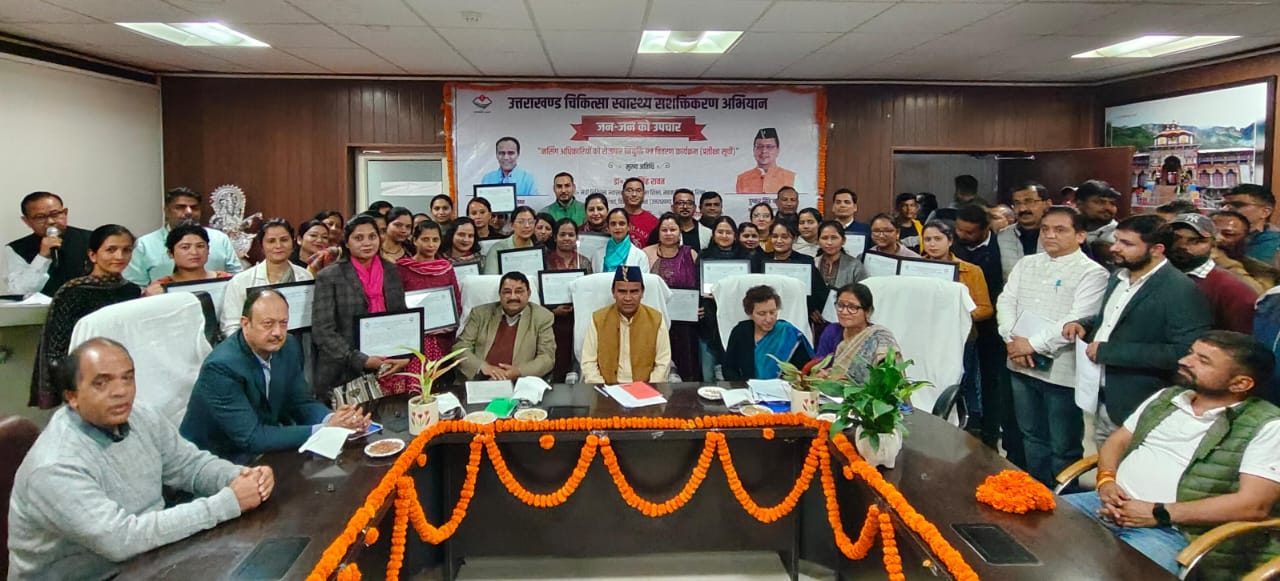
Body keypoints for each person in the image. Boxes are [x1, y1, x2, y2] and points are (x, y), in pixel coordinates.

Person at [8, 338, 274, 581]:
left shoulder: (141, 416)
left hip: (149, 559)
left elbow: (190, 466)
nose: (120, 391)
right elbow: (120, 539)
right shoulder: (55, 465)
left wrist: (241, 478)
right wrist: (227, 503)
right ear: (72, 397)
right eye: (102, 383)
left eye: (127, 378)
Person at [1061, 331, 1280, 578]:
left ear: (1240, 384)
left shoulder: (1268, 426)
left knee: (1120, 574)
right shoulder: (1168, 397)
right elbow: (1118, 441)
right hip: (1106, 503)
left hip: (1173, 530)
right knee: (1029, 527)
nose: (1185, 361)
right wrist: (1106, 480)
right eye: (1191, 353)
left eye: (1203, 361)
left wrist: (1158, 513)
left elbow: (1253, 505)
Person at [1065, 215, 1213, 441]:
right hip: (1101, 396)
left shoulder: (1180, 290)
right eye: (1116, 240)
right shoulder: (1118, 276)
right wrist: (1084, 324)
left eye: (1127, 243)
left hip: (1139, 403)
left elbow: (1185, 352)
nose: (1114, 248)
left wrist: (1109, 352)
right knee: (1104, 462)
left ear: (1157, 250)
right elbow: (1113, 319)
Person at [183, 289, 370, 461]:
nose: (277, 332)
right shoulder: (220, 367)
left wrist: (336, 420)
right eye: (268, 324)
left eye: (283, 323)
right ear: (245, 324)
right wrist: (326, 429)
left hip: (264, 446)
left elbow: (300, 403)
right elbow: (251, 437)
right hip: (217, 459)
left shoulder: (288, 346)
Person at [999, 206, 1109, 486]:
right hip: (1020, 363)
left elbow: (1077, 318)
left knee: (1063, 445)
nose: (1050, 235)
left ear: (1080, 235)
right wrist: (1011, 340)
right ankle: (1038, 493)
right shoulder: (1027, 264)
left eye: (1060, 230)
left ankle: (1064, 503)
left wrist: (1031, 345)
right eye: (1045, 229)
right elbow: (1006, 300)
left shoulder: (1092, 273)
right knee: (1031, 437)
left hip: (1062, 370)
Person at [29, 224, 141, 409]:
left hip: (123, 376)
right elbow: (56, 351)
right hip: (84, 381)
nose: (119, 256)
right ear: (93, 255)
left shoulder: (131, 291)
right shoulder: (73, 291)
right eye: (111, 250)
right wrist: (73, 390)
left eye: (126, 250)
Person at [311, 215, 409, 393]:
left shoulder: (391, 270)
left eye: (372, 236)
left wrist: (405, 355)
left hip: (389, 364)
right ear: (347, 243)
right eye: (358, 238)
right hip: (343, 371)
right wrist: (361, 360)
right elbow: (323, 332)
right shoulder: (330, 276)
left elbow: (401, 316)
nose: (367, 243)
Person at [954, 202, 1015, 454]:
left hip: (991, 325)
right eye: (959, 230)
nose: (962, 235)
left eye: (969, 232)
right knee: (962, 376)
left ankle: (990, 434)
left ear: (985, 229)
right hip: (958, 328)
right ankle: (966, 426)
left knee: (992, 380)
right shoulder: (953, 245)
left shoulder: (1000, 249)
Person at [922, 220, 994, 430]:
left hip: (961, 338)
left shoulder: (971, 271)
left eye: (938, 239)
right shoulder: (915, 267)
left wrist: (958, 314)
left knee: (965, 381)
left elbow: (986, 308)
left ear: (950, 240)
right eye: (928, 239)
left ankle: (971, 427)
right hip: (927, 337)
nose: (932, 244)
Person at [384, 220, 462, 395]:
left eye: (435, 240)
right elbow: (394, 303)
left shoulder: (446, 268)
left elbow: (456, 301)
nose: (431, 244)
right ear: (414, 240)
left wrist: (447, 324)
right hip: (412, 337)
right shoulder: (402, 268)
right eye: (425, 239)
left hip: (444, 336)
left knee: (442, 389)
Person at [125, 187, 242, 286]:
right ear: (166, 210)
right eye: (180, 207)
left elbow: (237, 277)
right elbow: (135, 285)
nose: (189, 212)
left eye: (194, 208)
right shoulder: (144, 245)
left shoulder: (219, 238)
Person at [1167, 213, 1259, 334]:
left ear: (1213, 243)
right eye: (1176, 238)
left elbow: (1243, 339)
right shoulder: (1153, 275)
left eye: (1196, 241)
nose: (1182, 246)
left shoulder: (1232, 289)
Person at [454, 272, 555, 381]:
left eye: (519, 291)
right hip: (481, 380)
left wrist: (518, 372)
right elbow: (460, 347)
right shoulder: (480, 314)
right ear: (500, 294)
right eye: (507, 292)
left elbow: (547, 357)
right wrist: (482, 367)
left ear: (529, 293)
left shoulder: (542, 317)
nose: (513, 297)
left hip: (520, 382)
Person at [219, 219, 313, 336]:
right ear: (262, 245)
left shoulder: (306, 276)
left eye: (284, 240)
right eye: (271, 241)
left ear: (292, 242)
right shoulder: (241, 281)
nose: (278, 246)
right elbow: (230, 326)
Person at [581, 266, 671, 384]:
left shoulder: (655, 320)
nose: (628, 298)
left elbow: (663, 363)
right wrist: (602, 388)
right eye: (622, 291)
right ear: (613, 292)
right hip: (607, 388)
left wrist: (649, 388)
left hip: (645, 389)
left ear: (642, 293)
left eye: (634, 292)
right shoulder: (598, 319)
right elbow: (588, 362)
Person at [645, 213, 701, 381]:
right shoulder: (646, 254)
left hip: (685, 324)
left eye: (673, 229)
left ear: (680, 232)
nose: (668, 233)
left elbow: (700, 286)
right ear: (658, 232)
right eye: (664, 230)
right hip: (654, 321)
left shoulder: (691, 254)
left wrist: (699, 308)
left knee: (686, 368)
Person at [813, 283, 901, 385]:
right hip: (828, 391)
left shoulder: (879, 338)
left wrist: (845, 379)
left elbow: (887, 379)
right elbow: (817, 366)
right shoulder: (831, 331)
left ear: (868, 311)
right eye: (840, 305)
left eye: (852, 307)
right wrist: (821, 375)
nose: (844, 312)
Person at [6, 191, 91, 296]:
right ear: (26, 221)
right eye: (40, 217)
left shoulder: (91, 239)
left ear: (65, 213)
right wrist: (42, 257)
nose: (50, 221)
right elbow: (19, 291)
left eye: (55, 214)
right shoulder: (17, 249)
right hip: (42, 306)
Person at [722, 285, 815, 380]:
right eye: (762, 314)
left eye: (772, 312)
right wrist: (744, 385)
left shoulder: (788, 333)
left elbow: (807, 369)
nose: (769, 319)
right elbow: (728, 368)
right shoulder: (741, 332)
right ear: (750, 313)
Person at [545, 218, 593, 382]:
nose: (567, 238)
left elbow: (589, 292)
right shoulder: (545, 261)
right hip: (552, 321)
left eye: (571, 235)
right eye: (562, 234)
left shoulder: (584, 262)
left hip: (578, 319)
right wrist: (553, 311)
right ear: (555, 237)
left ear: (576, 238)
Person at [698, 216, 745, 381]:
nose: (724, 236)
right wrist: (696, 307)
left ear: (735, 235)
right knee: (708, 373)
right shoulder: (704, 256)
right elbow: (696, 285)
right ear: (713, 234)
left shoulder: (745, 257)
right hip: (708, 317)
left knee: (733, 372)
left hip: (736, 316)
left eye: (728, 232)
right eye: (720, 232)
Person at [754, 221, 826, 325]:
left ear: (794, 239)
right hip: (767, 316)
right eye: (775, 236)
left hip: (797, 314)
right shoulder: (761, 260)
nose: (779, 240)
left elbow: (818, 290)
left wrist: (811, 308)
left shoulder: (805, 261)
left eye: (784, 237)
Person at [143, 224, 234, 297]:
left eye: (200, 246)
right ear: (170, 253)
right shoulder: (159, 287)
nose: (194, 252)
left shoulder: (229, 281)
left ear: (208, 249)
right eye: (185, 247)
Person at [1210, 210, 1278, 293]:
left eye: (1228, 234)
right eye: (1210, 233)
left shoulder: (1260, 270)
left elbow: (1259, 296)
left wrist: (1225, 262)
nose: (1217, 238)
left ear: (1245, 239)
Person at [997, 182, 1050, 280]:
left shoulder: (1060, 236)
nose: (1022, 209)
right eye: (1017, 203)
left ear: (1047, 204)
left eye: (1029, 202)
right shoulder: (1002, 237)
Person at [1221, 184, 1279, 263]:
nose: (1225, 209)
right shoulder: (1213, 236)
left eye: (1238, 205)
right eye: (1222, 205)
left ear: (1265, 212)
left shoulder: (1275, 242)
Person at [735, 128, 795, 194]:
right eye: (759, 147)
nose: (764, 151)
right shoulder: (742, 179)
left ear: (778, 150)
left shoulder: (791, 177)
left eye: (769, 147)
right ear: (753, 150)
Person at [1075, 179, 1121, 265]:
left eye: (1112, 203)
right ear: (1079, 204)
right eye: (1100, 202)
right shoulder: (1069, 231)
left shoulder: (1119, 237)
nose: (1108, 207)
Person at [484, 206, 540, 274]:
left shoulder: (538, 248)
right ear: (512, 225)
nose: (527, 226)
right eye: (521, 222)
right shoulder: (497, 248)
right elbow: (490, 278)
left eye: (531, 222)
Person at [815, 221, 868, 292]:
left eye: (834, 238)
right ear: (818, 241)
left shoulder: (855, 266)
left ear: (843, 240)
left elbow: (863, 293)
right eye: (824, 238)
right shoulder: (814, 263)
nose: (829, 242)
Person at [595, 208, 649, 274]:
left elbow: (644, 280)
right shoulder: (597, 255)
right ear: (608, 228)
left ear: (628, 227)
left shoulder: (640, 256)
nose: (617, 227)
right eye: (613, 224)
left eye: (621, 223)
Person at [621, 177, 658, 248]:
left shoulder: (653, 222)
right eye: (629, 190)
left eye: (638, 191)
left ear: (644, 194)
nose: (634, 194)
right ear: (622, 194)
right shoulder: (614, 218)